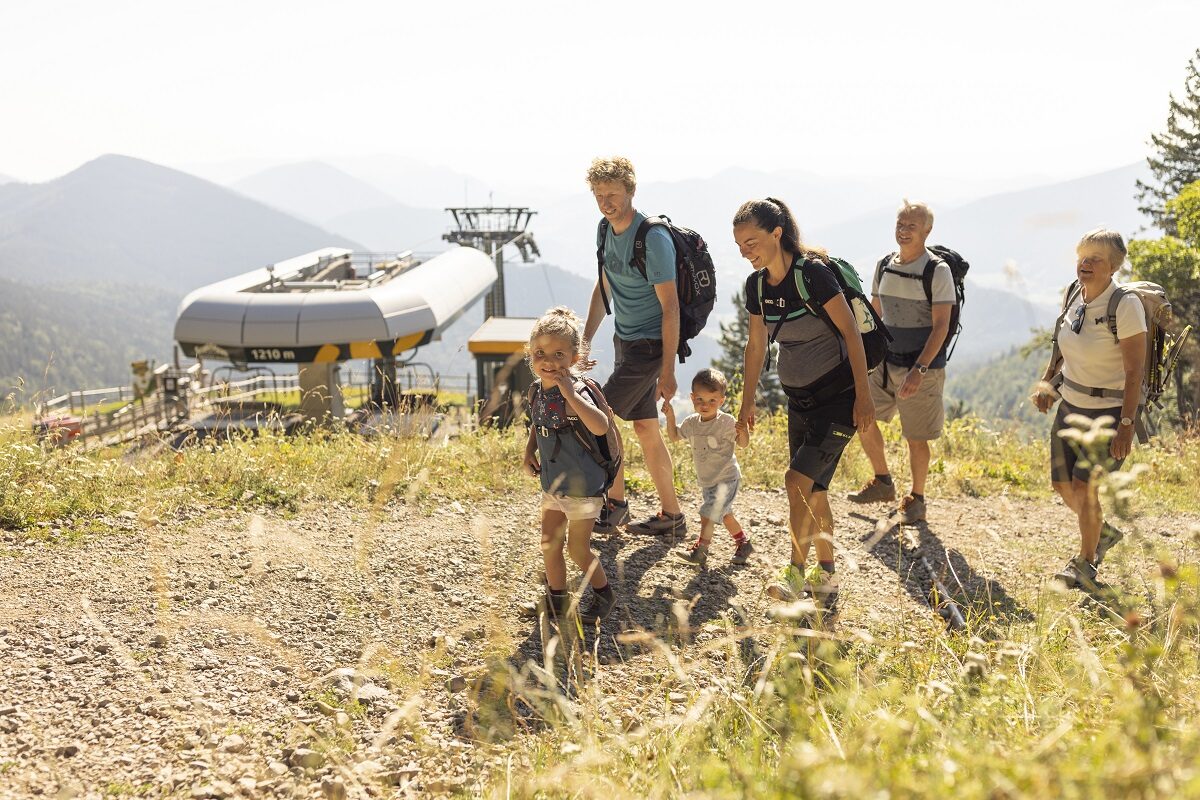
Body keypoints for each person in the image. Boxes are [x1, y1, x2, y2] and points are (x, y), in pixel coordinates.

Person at [734, 198, 875, 617]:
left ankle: (795, 571)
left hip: (839, 399)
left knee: (796, 479)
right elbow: (755, 345)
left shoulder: (811, 274)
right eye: (740, 244)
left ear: (777, 234)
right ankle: (827, 574)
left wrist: (865, 397)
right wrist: (746, 403)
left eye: (752, 241)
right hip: (800, 401)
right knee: (814, 490)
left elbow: (851, 333)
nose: (746, 251)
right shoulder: (757, 286)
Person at [1032, 229, 1145, 590]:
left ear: (1113, 267)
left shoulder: (1124, 306)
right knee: (1061, 484)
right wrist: (1048, 383)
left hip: (1111, 412)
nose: (1086, 263)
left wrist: (1126, 426)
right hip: (1071, 406)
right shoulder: (1072, 294)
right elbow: (1063, 345)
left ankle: (1085, 564)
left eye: (1096, 258)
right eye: (1083, 255)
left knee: (1084, 486)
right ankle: (1102, 533)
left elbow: (1133, 373)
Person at [581, 156, 686, 536]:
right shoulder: (604, 230)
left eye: (612, 194)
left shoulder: (652, 239)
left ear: (631, 191)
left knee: (598, 416)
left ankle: (616, 504)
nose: (606, 202)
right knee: (644, 427)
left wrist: (669, 370)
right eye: (598, 195)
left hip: (652, 344)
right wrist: (585, 339)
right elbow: (604, 284)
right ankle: (672, 516)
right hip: (625, 339)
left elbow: (671, 307)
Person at [848, 201, 953, 525]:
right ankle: (883, 481)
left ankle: (917, 499)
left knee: (915, 437)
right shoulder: (884, 265)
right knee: (862, 416)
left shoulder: (937, 270)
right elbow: (875, 313)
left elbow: (941, 326)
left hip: (922, 367)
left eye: (911, 225)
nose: (903, 230)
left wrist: (919, 371)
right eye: (900, 223)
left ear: (927, 230)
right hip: (884, 362)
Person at [522, 307, 618, 623]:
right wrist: (528, 451)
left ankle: (604, 594)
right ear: (530, 355)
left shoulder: (574, 389)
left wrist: (569, 395)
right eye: (540, 353)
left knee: (578, 549)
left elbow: (600, 425)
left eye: (558, 354)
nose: (548, 362)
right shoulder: (537, 389)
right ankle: (557, 601)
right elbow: (539, 423)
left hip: (582, 484)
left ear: (574, 358)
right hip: (553, 480)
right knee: (549, 542)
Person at [662, 368, 753, 567]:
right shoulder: (692, 423)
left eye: (712, 400)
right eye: (700, 400)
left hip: (727, 478)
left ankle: (701, 550)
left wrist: (743, 431)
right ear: (692, 398)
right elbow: (675, 436)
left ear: (721, 401)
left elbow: (743, 444)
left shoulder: (726, 422)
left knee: (708, 512)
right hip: (708, 480)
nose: (705, 405)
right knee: (725, 514)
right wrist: (670, 418)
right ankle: (743, 543)